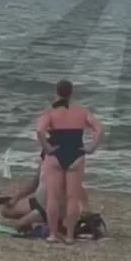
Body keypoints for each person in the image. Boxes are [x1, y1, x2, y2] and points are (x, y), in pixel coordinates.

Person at [37, 79, 103, 244]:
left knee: (53, 196)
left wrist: (47, 147)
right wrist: (92, 147)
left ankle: (52, 234)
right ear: (71, 93)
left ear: (57, 92)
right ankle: (69, 235)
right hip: (76, 155)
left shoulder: (50, 113)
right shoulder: (81, 112)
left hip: (56, 154)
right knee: (73, 197)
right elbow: (99, 128)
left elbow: (40, 131)